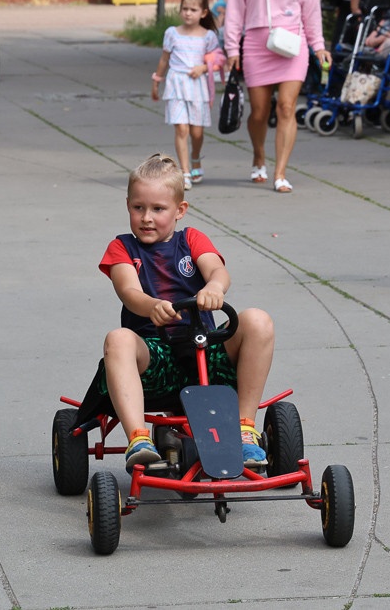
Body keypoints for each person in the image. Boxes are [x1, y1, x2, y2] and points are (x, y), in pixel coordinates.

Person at [100, 154, 275, 471]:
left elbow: (218, 271)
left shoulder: (191, 239)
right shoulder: (122, 247)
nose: (146, 218)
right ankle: (139, 438)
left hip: (203, 350)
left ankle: (245, 428)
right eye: (138, 208)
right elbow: (128, 291)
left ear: (179, 210)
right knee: (119, 339)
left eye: (158, 209)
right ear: (128, 206)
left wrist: (214, 289)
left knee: (257, 320)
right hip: (155, 357)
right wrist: (151, 305)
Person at [224, 0, 330, 193]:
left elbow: (311, 9)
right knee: (260, 112)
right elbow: (235, 9)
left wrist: (318, 46)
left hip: (292, 44)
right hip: (258, 45)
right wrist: (232, 47)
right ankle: (259, 155)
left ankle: (280, 172)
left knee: (286, 107)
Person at [151, 0, 221, 190]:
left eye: (193, 9)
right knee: (181, 128)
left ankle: (196, 157)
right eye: (184, 8)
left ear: (204, 13)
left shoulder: (208, 36)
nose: (188, 13)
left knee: (196, 133)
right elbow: (164, 59)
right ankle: (185, 172)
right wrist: (157, 81)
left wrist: (203, 68)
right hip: (176, 85)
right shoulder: (172, 33)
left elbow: (218, 62)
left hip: (197, 87)